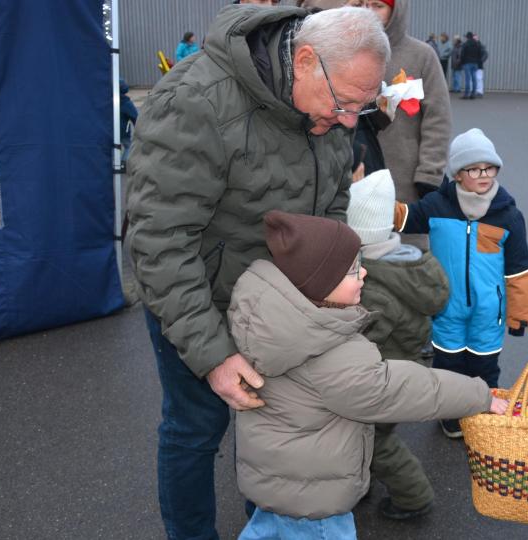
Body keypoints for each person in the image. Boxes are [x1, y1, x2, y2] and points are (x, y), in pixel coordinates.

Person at [126, 7, 390, 539]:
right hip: (200, 300)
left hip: (282, 308)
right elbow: (159, 241)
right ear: (305, 60)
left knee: (273, 428)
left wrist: (327, 286)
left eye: (361, 108)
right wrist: (214, 354)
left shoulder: (331, 105)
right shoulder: (197, 101)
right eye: (344, 104)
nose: (346, 121)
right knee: (196, 428)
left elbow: (333, 201)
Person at [229, 210, 503, 539]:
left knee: (266, 531)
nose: (364, 273)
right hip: (316, 503)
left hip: (275, 483)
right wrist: (479, 395)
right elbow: (406, 389)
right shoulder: (333, 355)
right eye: (352, 271)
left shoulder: (271, 321)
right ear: (320, 282)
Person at [394, 128, 528, 438]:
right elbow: (403, 218)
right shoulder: (436, 206)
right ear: (458, 174)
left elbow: (518, 269)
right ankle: (452, 417)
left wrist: (518, 313)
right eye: (474, 168)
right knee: (449, 366)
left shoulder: (507, 215)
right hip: (446, 307)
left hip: (488, 312)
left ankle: (485, 417)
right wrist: (372, 200)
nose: (484, 174)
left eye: (490, 167)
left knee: (484, 368)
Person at [347, 170, 449, 520]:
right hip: (404, 367)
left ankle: (413, 498)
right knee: (366, 436)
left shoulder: (373, 285)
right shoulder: (406, 261)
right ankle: (361, 484)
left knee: (375, 442)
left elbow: (360, 342)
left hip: (385, 379)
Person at [362, 0, 453, 207]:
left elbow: (437, 120)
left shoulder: (421, 56)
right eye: (364, 4)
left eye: (377, 5)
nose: (368, 11)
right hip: (358, 177)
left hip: (406, 181)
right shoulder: (349, 53)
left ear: (396, 11)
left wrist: (429, 174)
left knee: (406, 238)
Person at [119, 78, 139, 163]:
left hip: (109, 130)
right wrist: (138, 129)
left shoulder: (107, 101)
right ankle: (123, 163)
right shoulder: (126, 103)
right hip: (123, 131)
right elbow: (135, 117)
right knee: (128, 146)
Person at [459, 31, 483, 99]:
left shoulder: (466, 44)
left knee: (467, 78)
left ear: (467, 37)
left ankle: (466, 94)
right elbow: (480, 54)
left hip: (467, 63)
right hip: (475, 63)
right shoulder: (477, 44)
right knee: (474, 78)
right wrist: (477, 62)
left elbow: (462, 54)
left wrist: (462, 62)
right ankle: (473, 94)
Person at [474, 33, 488, 98]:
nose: (475, 39)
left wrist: (481, 61)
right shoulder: (472, 46)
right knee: (474, 78)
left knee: (479, 78)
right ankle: (474, 91)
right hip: (473, 64)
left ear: (478, 38)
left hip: (479, 65)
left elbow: (485, 54)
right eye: (474, 38)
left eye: (475, 38)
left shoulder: (481, 46)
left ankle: (480, 91)